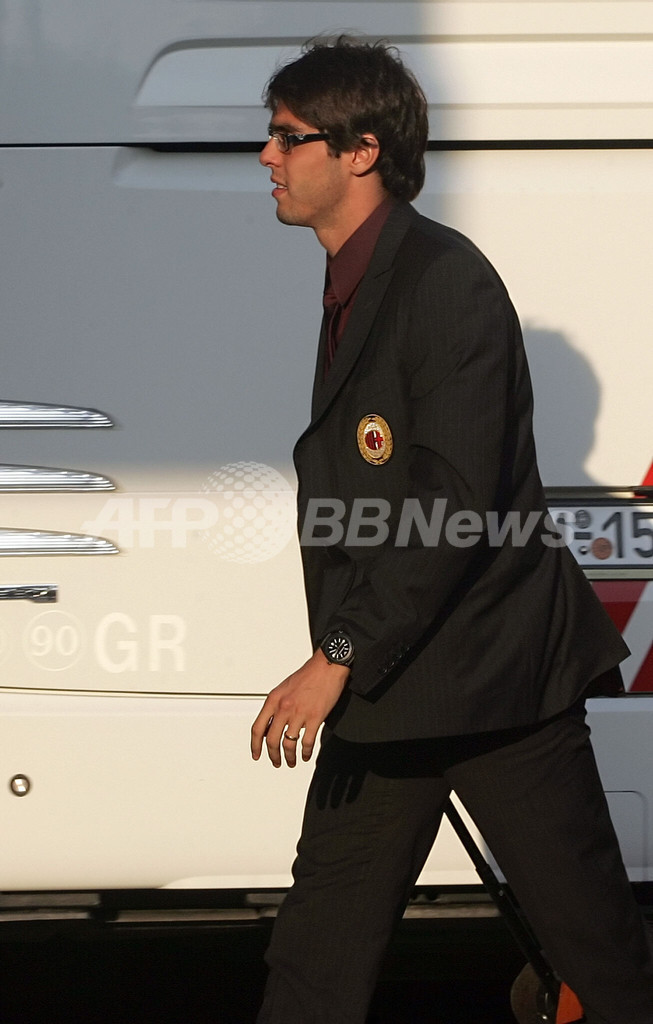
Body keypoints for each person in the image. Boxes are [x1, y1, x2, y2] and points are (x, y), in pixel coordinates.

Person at [251, 36, 653, 1024]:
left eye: (289, 137)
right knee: (313, 962)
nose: (267, 155)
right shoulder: (358, 278)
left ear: (361, 151)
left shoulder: (443, 282)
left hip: (495, 689)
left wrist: (338, 653)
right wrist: (352, 659)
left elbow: (452, 502)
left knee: (600, 968)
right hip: (391, 693)